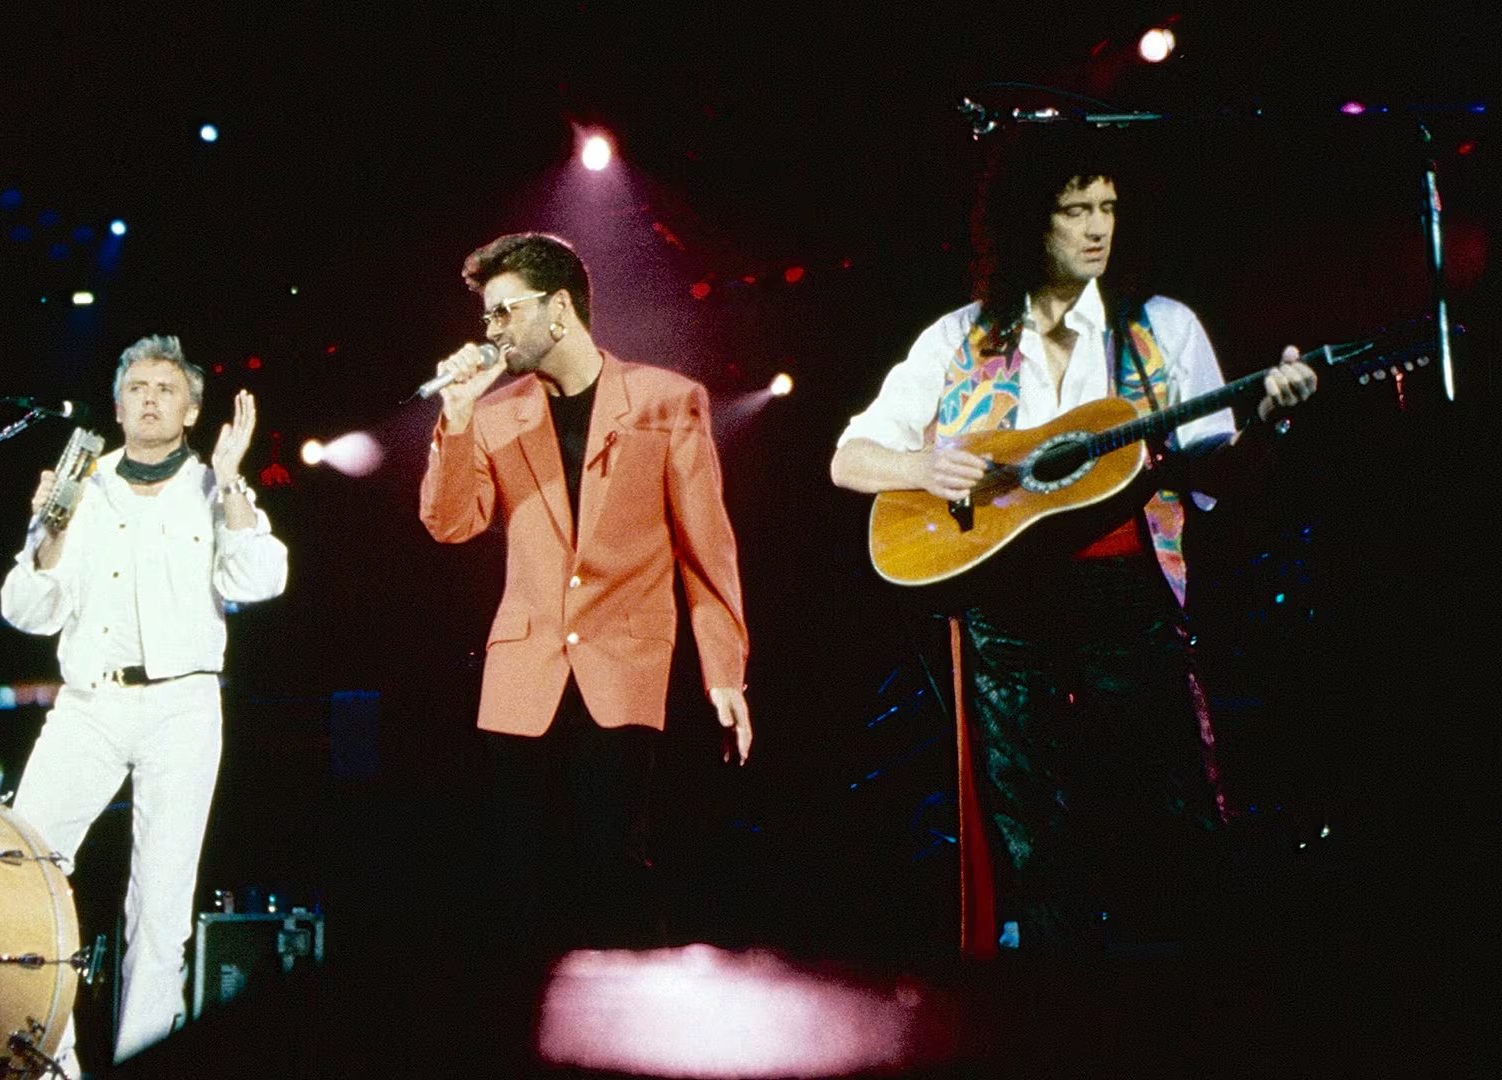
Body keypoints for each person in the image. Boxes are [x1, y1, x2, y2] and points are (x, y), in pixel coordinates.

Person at [830, 133, 1319, 952]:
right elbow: (851, 457)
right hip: (1008, 607)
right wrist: (923, 463)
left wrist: (1269, 417)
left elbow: (1217, 477)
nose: (1098, 229)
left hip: (1129, 595)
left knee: (1167, 822)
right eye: (1075, 211)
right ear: (1030, 222)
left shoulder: (1160, 331)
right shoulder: (960, 340)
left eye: (1108, 209)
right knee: (1035, 837)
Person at [420, 232, 752, 958]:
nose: (492, 331)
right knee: (518, 885)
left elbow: (707, 549)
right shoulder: (497, 414)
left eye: (504, 313)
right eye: (488, 318)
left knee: (615, 870)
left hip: (623, 666)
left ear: (560, 308)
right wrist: (457, 416)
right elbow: (450, 524)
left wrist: (724, 670)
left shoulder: (668, 401)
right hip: (522, 677)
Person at [1, 335, 288, 1070]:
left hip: (182, 708)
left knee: (159, 911)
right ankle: (50, 1059)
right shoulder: (81, 486)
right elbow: (26, 610)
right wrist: (52, 536)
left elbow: (261, 580)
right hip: (91, 702)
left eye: (166, 388)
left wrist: (230, 485)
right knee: (19, 865)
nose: (150, 398)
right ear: (119, 404)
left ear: (191, 409)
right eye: (137, 387)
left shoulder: (211, 486)